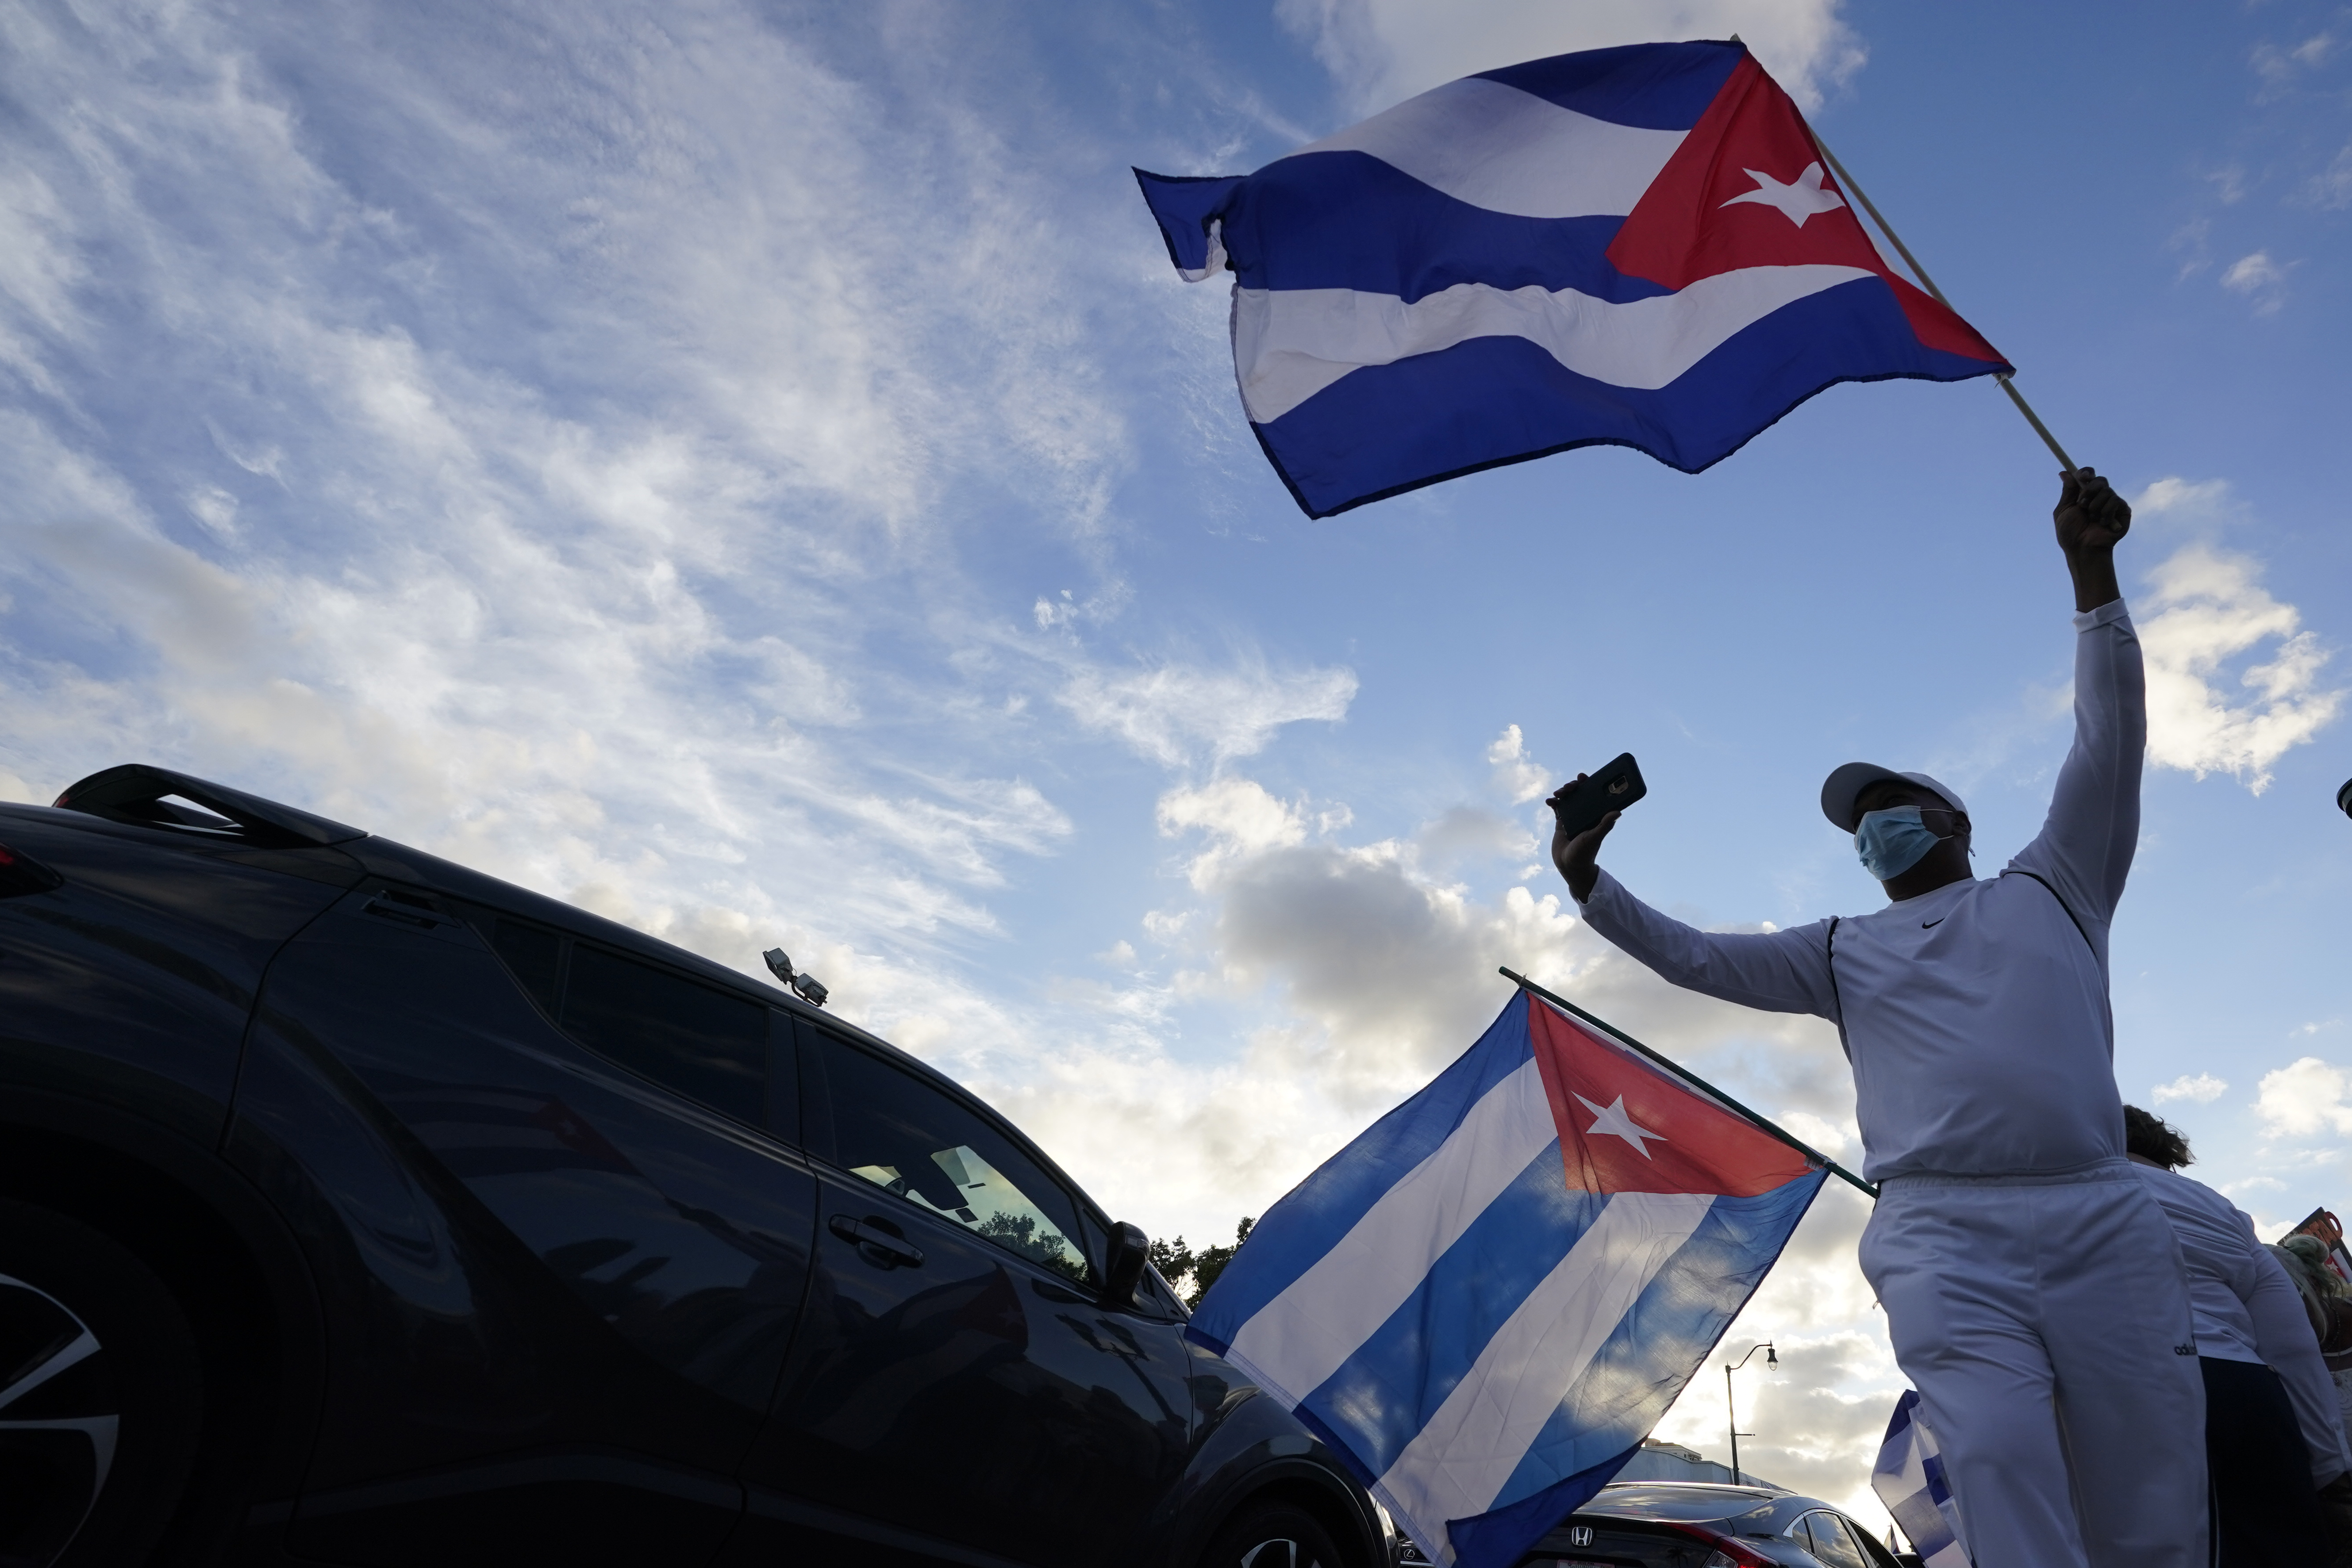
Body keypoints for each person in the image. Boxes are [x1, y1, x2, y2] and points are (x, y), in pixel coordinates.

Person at [1549, 469, 2207, 1568]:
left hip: (2098, 1210)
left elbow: (2109, 742)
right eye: (1858, 824)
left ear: (1951, 818)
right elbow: (1696, 957)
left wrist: (2091, 576)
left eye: (1887, 807)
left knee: (2148, 1477)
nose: (1870, 830)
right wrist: (1588, 885)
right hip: (1941, 1232)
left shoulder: (2054, 884)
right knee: (1995, 1452)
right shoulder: (1839, 948)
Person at [2122, 1104, 2346, 1564]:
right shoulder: (2215, 1205)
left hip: (2127, 1395)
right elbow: (2290, 1341)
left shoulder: (2049, 1195)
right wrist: (2329, 1465)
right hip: (2244, 1391)